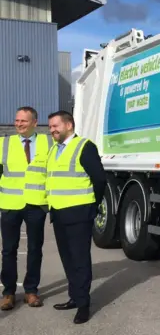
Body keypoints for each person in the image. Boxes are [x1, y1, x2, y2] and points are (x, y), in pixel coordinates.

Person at [45, 110, 106, 324]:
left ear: (69, 125)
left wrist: (92, 205)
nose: (52, 129)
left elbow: (99, 180)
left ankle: (83, 305)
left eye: (55, 126)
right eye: (50, 126)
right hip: (59, 214)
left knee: (80, 260)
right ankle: (74, 297)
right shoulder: (54, 150)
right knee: (68, 260)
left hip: (79, 214)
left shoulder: (84, 147)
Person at [0, 106, 52, 310]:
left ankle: (31, 291)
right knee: (8, 250)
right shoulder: (5, 142)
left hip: (37, 203)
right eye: (17, 120)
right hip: (10, 204)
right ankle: (8, 293)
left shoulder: (48, 142)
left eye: (23, 121)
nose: (18, 124)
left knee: (34, 249)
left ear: (34, 122)